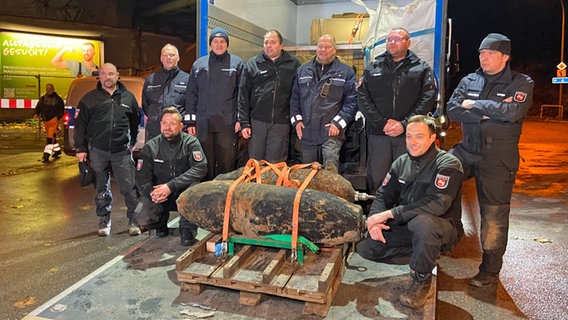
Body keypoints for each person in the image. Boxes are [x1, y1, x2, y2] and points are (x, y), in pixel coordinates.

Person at [447, 33, 534, 288]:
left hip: (498, 159)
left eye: (490, 53)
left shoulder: (521, 82)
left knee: (494, 214)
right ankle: (451, 232)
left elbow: (514, 111)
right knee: (438, 174)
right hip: (467, 150)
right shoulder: (469, 79)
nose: (483, 57)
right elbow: (453, 109)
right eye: (481, 53)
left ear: (505, 57)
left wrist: (473, 105)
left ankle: (490, 269)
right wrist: (485, 113)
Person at [356, 115, 464, 309]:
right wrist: (374, 220)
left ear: (432, 138)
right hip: (410, 225)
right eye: (409, 136)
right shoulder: (401, 162)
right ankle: (423, 253)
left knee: (423, 223)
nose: (412, 142)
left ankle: (421, 279)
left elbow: (438, 204)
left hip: (441, 226)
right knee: (366, 248)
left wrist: (390, 214)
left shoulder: (448, 164)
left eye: (419, 137)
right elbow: (383, 195)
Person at [357, 27, 436, 195]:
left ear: (408, 42)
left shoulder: (421, 69)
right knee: (377, 177)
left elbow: (428, 99)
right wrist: (381, 123)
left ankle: (403, 217)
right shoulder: (373, 67)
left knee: (407, 177)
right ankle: (377, 215)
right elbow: (363, 98)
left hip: (408, 135)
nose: (392, 42)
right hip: (379, 134)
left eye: (397, 39)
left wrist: (405, 124)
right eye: (389, 39)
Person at [74, 63, 141, 237]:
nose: (107, 77)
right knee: (101, 188)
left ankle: (135, 220)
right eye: (103, 74)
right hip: (98, 151)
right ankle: (104, 220)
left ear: (117, 75)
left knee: (130, 187)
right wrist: (81, 148)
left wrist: (132, 141)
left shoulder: (128, 98)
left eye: (111, 74)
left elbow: (135, 122)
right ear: (100, 76)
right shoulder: (89, 99)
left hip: (122, 151)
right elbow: (80, 125)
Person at [135, 107, 207, 246]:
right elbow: (142, 177)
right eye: (164, 123)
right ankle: (159, 226)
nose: (167, 127)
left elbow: (200, 168)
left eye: (172, 124)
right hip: (161, 195)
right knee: (142, 214)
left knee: (195, 189)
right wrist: (152, 193)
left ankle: (187, 229)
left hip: (182, 192)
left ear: (180, 126)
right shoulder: (151, 147)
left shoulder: (191, 143)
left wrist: (170, 186)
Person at [290, 34, 357, 172]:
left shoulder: (346, 72)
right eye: (320, 46)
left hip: (331, 133)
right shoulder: (303, 71)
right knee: (307, 175)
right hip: (307, 132)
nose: (323, 49)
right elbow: (294, 98)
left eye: (327, 46)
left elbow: (352, 101)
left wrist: (338, 122)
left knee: (330, 174)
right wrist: (297, 121)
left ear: (334, 49)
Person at [185, 27, 244, 180]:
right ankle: (205, 194)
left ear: (227, 44)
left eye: (222, 41)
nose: (219, 44)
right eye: (215, 41)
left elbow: (241, 94)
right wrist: (190, 121)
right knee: (204, 162)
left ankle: (226, 194)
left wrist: (240, 119)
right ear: (211, 44)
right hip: (204, 123)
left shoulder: (237, 64)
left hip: (227, 123)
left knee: (227, 161)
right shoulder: (199, 65)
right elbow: (191, 94)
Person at [238, 30, 301, 163]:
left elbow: (297, 95)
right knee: (255, 163)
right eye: (266, 42)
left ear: (281, 45)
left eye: (273, 42)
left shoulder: (293, 65)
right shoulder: (253, 64)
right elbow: (243, 95)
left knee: (276, 165)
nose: (269, 45)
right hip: (257, 122)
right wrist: (244, 123)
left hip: (281, 123)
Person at [142, 43, 189, 140]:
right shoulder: (150, 80)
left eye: (172, 55)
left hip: (178, 134)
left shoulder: (187, 80)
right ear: (161, 58)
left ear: (178, 58)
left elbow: (191, 105)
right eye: (165, 55)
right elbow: (146, 105)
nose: (168, 58)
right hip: (154, 133)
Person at [33, 83, 64, 162]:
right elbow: (38, 107)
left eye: (49, 88)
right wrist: (36, 113)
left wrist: (57, 118)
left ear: (53, 89)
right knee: (52, 137)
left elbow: (61, 110)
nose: (48, 90)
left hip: (54, 121)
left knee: (50, 137)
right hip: (46, 121)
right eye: (47, 88)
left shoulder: (58, 99)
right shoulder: (43, 99)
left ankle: (46, 155)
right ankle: (57, 151)